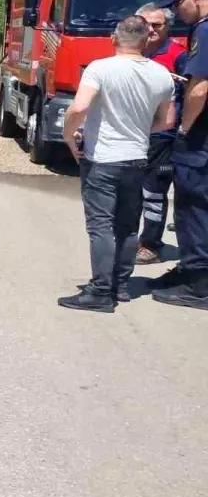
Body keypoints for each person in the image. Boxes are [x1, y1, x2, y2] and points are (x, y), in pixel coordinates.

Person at [58, 16, 175, 313]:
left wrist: (69, 135)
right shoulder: (162, 74)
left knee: (101, 226)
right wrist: (138, 131)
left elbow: (80, 106)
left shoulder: (100, 68)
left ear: (114, 38)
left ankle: (99, 291)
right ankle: (120, 285)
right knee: (127, 226)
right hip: (137, 158)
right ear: (146, 40)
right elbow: (166, 121)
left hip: (103, 159)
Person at [151, 0, 208, 308]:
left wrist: (185, 128)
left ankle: (198, 284)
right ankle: (191, 269)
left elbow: (200, 88)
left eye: (177, 3)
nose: (176, 11)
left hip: (199, 138)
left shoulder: (203, 30)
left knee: (193, 207)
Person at [134, 3, 187, 264]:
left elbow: (192, 94)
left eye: (158, 25)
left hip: (162, 138)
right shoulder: (131, 52)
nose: (152, 30)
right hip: (131, 134)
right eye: (147, 24)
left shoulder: (179, 55)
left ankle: (150, 244)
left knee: (153, 192)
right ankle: (130, 239)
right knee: (130, 191)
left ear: (167, 28)